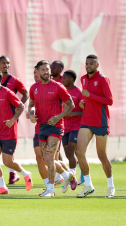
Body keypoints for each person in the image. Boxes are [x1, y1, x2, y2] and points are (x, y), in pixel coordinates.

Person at [29, 60, 75, 197]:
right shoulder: (34, 88)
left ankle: (50, 190)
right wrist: (31, 114)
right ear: (38, 71)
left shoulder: (58, 87)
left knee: (49, 157)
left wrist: (58, 117)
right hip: (41, 126)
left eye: (47, 69)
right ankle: (67, 175)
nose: (46, 72)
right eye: (42, 70)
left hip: (56, 126)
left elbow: (70, 105)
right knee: (45, 160)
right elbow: (31, 105)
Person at [0, 68, 33, 194]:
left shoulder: (7, 93)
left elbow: (21, 106)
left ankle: (26, 174)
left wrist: (13, 120)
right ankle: (3, 187)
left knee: (7, 162)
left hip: (9, 133)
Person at [75, 54, 115, 198]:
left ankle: (110, 186)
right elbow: (85, 97)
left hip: (101, 122)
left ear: (97, 65)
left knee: (101, 155)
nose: (88, 66)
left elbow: (109, 100)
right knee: (79, 152)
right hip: (86, 121)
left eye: (91, 63)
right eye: (87, 63)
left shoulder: (103, 79)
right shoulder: (83, 79)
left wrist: (90, 95)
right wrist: (82, 103)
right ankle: (88, 185)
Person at [0, 55, 29, 184]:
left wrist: (17, 107)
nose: (6, 65)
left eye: (8, 63)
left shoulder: (14, 80)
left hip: (11, 117)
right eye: (3, 63)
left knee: (8, 144)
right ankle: (10, 172)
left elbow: (26, 93)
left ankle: (12, 173)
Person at [61, 70, 85, 189]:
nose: (62, 80)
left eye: (64, 78)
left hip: (76, 127)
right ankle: (74, 175)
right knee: (68, 154)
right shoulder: (62, 91)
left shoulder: (79, 92)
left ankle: (73, 177)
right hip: (64, 127)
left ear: (71, 79)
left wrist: (73, 114)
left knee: (71, 150)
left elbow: (85, 112)